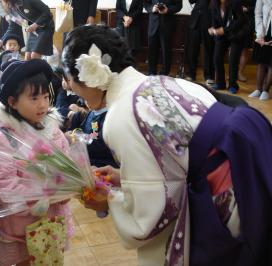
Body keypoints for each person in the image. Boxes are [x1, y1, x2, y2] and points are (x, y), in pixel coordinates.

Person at [62, 24, 272, 266]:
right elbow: (179, 158)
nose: (68, 87)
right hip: (246, 170)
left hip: (223, 194)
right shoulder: (164, 82)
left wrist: (108, 200)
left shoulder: (120, 116)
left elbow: (153, 213)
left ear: (87, 77)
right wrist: (125, 176)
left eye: (68, 79)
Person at [0, 59, 73, 266]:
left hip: (52, 223)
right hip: (20, 228)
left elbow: (68, 169)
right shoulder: (0, 141)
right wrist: (46, 197)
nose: (42, 104)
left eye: (46, 96)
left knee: (51, 260)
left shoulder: (54, 132)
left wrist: (69, 188)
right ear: (12, 102)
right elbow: (5, 189)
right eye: (33, 98)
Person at [208, 0, 248, 93]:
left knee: (233, 59)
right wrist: (213, 28)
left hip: (236, 34)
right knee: (217, 57)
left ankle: (233, 85)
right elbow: (215, 20)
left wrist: (224, 30)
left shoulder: (235, 3)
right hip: (222, 34)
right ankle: (220, 83)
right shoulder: (213, 4)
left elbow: (240, 21)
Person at [144, 0, 182, 76]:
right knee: (152, 49)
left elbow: (178, 6)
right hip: (153, 24)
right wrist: (152, 8)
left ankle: (164, 73)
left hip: (167, 24)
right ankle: (152, 72)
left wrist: (168, 10)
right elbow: (146, 3)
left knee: (166, 50)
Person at [186, 0, 215, 85]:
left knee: (208, 50)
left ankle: (209, 76)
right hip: (195, 21)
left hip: (209, 21)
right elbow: (191, 1)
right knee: (192, 49)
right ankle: (191, 74)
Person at [248, 0, 272, 101]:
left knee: (271, 64)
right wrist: (260, 34)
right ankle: (258, 89)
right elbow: (258, 14)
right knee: (261, 62)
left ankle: (266, 90)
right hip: (263, 32)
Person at [238, 0, 256, 82]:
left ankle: (240, 72)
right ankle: (233, 72)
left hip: (249, 23)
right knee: (233, 48)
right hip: (235, 22)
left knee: (245, 49)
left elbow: (259, 7)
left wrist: (248, 9)